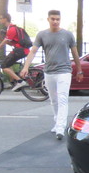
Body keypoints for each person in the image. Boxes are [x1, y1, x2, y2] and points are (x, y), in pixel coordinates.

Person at [20, 10, 83, 140]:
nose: (55, 21)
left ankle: (60, 127)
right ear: (48, 19)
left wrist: (79, 70)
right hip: (49, 72)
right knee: (53, 100)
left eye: (57, 19)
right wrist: (26, 67)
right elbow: (32, 52)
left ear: (60, 20)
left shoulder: (68, 35)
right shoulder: (42, 35)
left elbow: (75, 54)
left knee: (62, 98)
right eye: (53, 19)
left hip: (64, 71)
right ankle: (57, 122)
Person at [0, 13, 30, 91]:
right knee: (8, 63)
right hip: (21, 50)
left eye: (1, 18)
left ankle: (20, 81)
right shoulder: (11, 28)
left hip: (20, 51)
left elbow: (3, 44)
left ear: (5, 19)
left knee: (4, 66)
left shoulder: (11, 29)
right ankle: (13, 81)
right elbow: (10, 43)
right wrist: (1, 37)